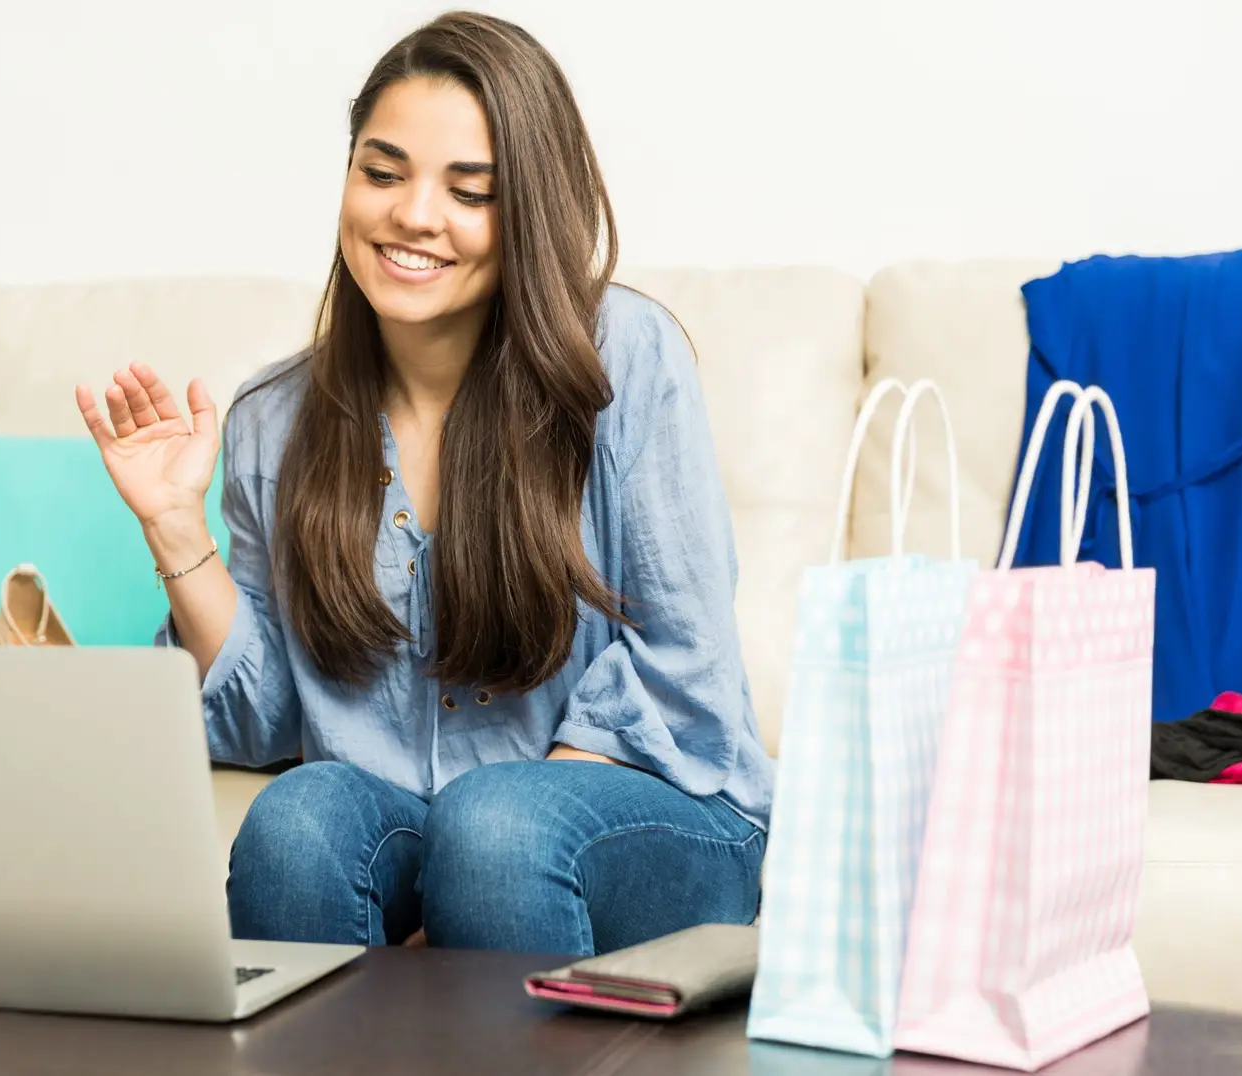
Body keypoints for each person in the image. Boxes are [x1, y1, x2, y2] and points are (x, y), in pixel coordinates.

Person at [75, 11, 770, 956]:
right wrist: (170, 525)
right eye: (383, 172)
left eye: (469, 190)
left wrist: (466, 870)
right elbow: (266, 717)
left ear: (530, 207)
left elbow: (683, 670)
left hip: (660, 814)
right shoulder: (273, 419)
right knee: (298, 821)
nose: (411, 215)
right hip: (418, 813)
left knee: (497, 830)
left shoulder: (622, 359)